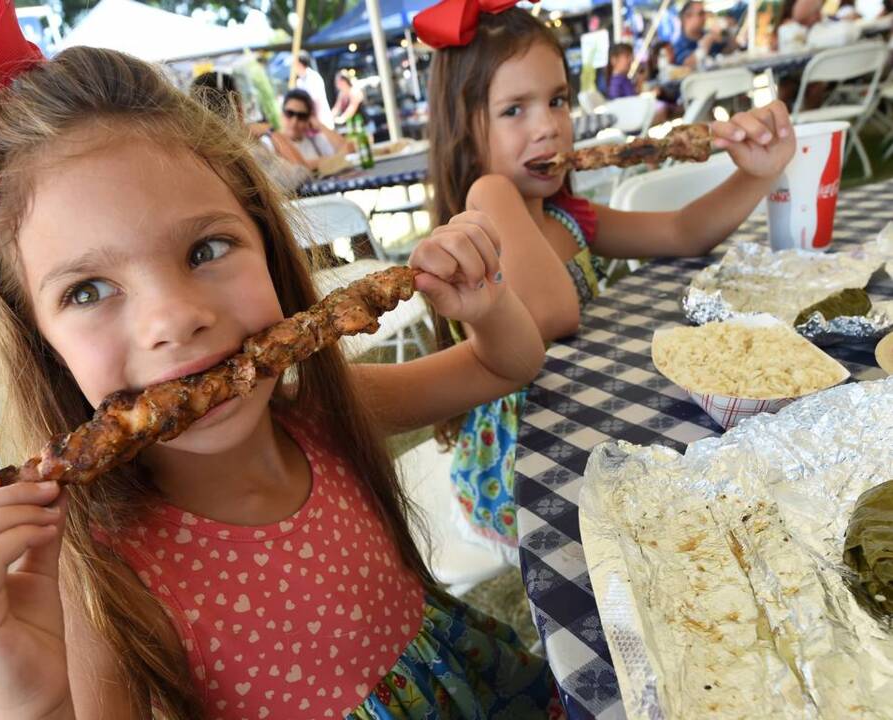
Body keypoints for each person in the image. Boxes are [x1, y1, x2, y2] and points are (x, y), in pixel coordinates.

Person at [0, 1, 559, 717]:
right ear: (40, 343)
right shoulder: (97, 573)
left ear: (269, 249)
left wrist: (485, 305)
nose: (174, 317)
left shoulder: (325, 412)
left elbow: (503, 368)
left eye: (206, 249)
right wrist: (32, 704)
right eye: (88, 290)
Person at [417, 2, 795, 560]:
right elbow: (553, 313)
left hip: (588, 420)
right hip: (520, 470)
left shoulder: (569, 217)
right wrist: (497, 189)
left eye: (558, 100)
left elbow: (682, 232)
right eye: (514, 110)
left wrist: (756, 173)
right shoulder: (487, 197)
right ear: (464, 129)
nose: (547, 126)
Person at [190, 71, 310, 192]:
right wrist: (271, 131)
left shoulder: (193, 155)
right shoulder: (244, 150)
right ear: (236, 104)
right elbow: (302, 178)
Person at [280, 88, 353, 172]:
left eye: (302, 116)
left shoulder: (315, 141)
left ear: (309, 118)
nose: (294, 121)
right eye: (290, 113)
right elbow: (295, 168)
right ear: (282, 113)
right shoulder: (272, 144)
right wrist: (328, 160)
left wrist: (320, 125)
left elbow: (348, 149)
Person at [673, 0, 732, 68]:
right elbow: (688, 63)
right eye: (701, 14)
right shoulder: (678, 44)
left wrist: (728, 32)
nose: (705, 17)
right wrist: (707, 41)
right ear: (687, 17)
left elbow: (729, 50)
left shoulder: (707, 34)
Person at [292, 50, 334, 127]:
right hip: (309, 124)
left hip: (321, 121)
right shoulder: (299, 81)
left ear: (300, 64)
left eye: (294, 64)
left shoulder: (314, 77)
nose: (293, 67)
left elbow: (314, 99)